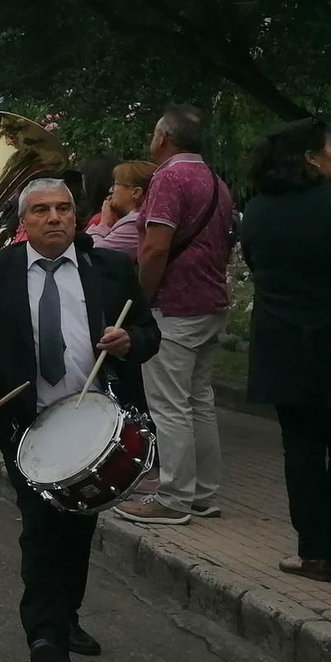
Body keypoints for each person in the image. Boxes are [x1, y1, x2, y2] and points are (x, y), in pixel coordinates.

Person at [0, 178, 159, 662]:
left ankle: (65, 615)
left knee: (79, 523)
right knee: (41, 525)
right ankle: (44, 631)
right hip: (26, 423)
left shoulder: (108, 268)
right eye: (41, 210)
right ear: (24, 222)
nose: (55, 218)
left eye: (64, 208)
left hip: (95, 422)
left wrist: (130, 340)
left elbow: (149, 331)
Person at [237, 119, 331, 579]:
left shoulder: (259, 210)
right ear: (310, 158)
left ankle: (315, 552)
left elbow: (258, 266)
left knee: (300, 448)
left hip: (282, 342)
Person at [118, 105, 235, 524]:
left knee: (169, 405)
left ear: (163, 138)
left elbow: (155, 246)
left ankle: (173, 498)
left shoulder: (168, 177)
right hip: (209, 303)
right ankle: (205, 494)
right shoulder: (217, 182)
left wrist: (142, 300)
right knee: (199, 400)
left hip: (174, 306)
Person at [91, 161, 155, 254]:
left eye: (116, 184)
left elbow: (92, 253)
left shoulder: (135, 224)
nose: (110, 190)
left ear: (136, 192)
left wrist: (103, 224)